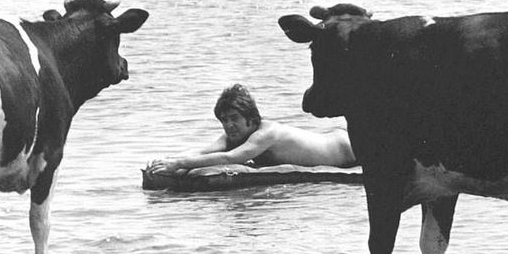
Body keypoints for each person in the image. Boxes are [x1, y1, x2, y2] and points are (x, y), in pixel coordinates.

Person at [146, 84, 357, 174]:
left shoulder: (266, 133)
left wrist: (178, 164)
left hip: (347, 147)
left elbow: (230, 159)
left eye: (234, 118)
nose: (228, 125)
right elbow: (202, 152)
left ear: (251, 118)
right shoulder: (236, 134)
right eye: (224, 120)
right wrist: (164, 161)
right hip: (338, 141)